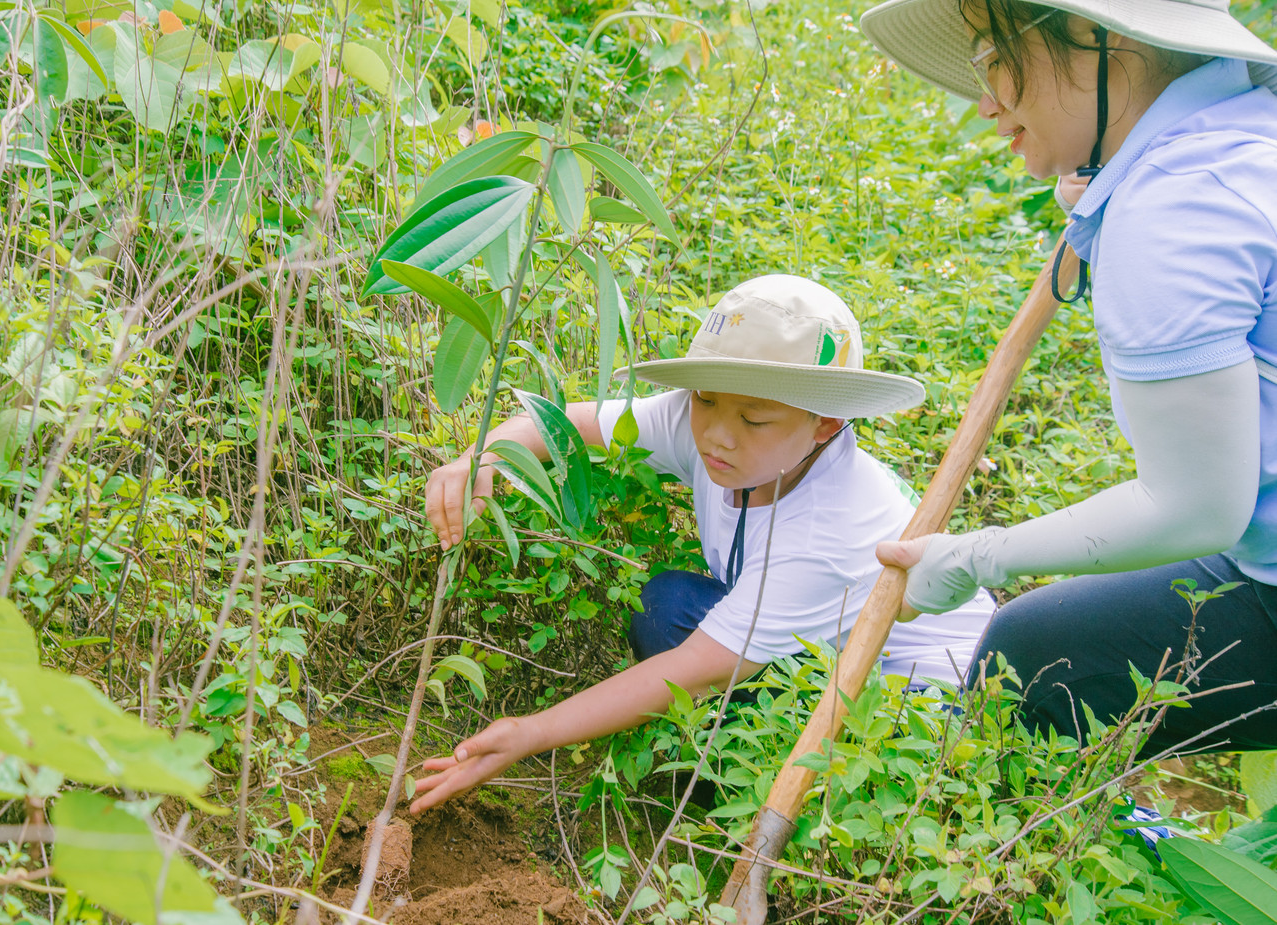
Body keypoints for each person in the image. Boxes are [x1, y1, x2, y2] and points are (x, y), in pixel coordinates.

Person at [409, 274, 996, 813]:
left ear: (825, 424)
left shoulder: (826, 530)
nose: (717, 434)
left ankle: (734, 802)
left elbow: (695, 670)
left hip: (920, 702)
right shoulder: (712, 415)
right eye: (706, 401)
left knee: (811, 768)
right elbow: (564, 423)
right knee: (664, 606)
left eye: (755, 419)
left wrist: (529, 733)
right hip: (821, 649)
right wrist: (479, 456)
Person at [860, 0, 1277, 754]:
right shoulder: (1242, 137)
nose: (984, 102)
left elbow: (1197, 508)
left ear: (1098, 37)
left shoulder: (1178, 203)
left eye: (993, 59)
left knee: (1033, 659)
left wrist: (977, 554)